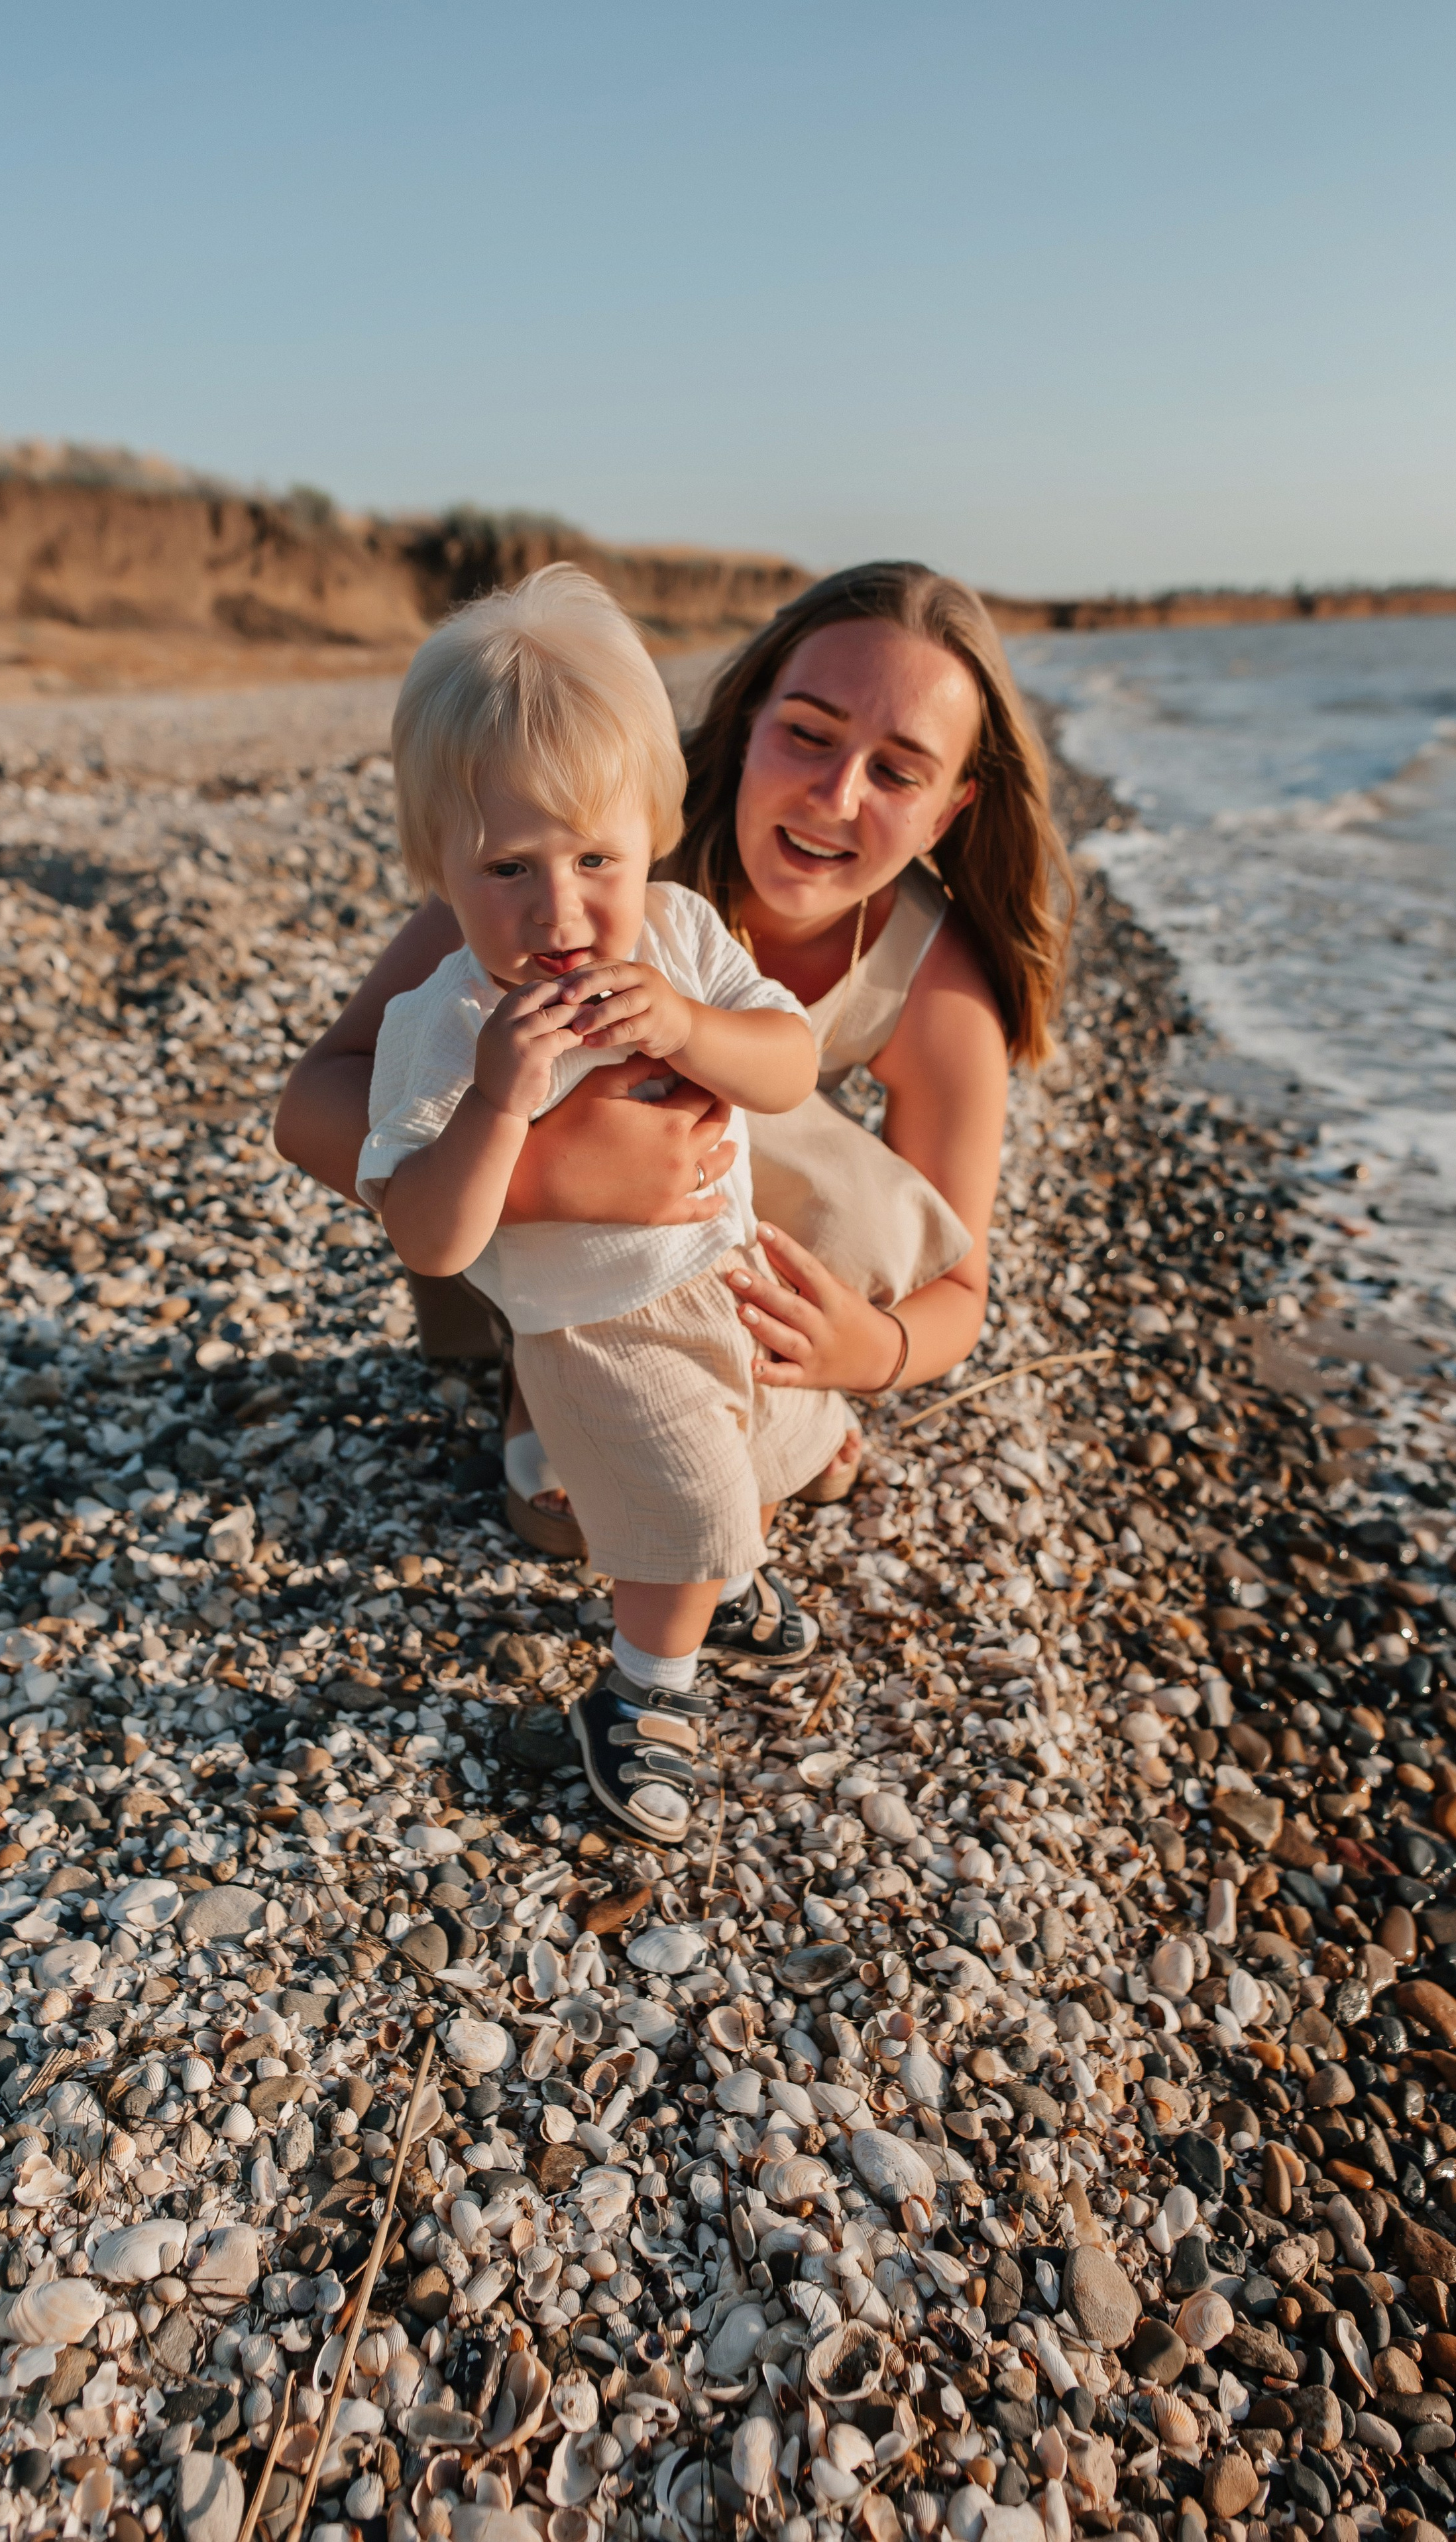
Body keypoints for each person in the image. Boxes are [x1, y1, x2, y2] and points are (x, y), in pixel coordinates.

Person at [276, 559, 1073, 1558]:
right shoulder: (569, 836)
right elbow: (314, 1101)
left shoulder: (933, 983)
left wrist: (870, 1352)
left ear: (950, 809)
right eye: (808, 735)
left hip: (707, 1245)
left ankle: (760, 1395)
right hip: (510, 1234)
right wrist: (540, 1174)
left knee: (833, 1170)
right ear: (747, 721)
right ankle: (540, 1373)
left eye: (897, 771)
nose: (833, 795)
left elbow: (958, 1286)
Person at [358, 564, 846, 1843]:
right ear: (439, 867)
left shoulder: (679, 936)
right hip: (595, 1333)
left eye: (595, 858)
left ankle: (719, 1573)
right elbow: (428, 1233)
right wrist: (500, 1103)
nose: (562, 909)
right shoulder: (445, 1023)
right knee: (678, 1496)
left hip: (725, 1275)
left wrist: (692, 1025)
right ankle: (639, 1696)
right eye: (508, 866)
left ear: (655, 836)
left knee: (765, 1450)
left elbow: (789, 1066)